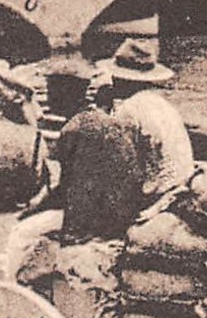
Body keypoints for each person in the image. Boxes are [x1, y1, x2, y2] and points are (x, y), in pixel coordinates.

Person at [44, 60, 146, 239]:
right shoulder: (106, 120)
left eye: (51, 90)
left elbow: (73, 187)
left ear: (64, 93)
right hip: (126, 210)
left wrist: (71, 231)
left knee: (27, 233)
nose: (48, 97)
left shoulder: (73, 129)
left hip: (104, 220)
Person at [101, 40, 195, 200]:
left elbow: (118, 167)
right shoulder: (161, 103)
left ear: (119, 78)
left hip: (156, 194)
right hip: (181, 183)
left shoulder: (128, 109)